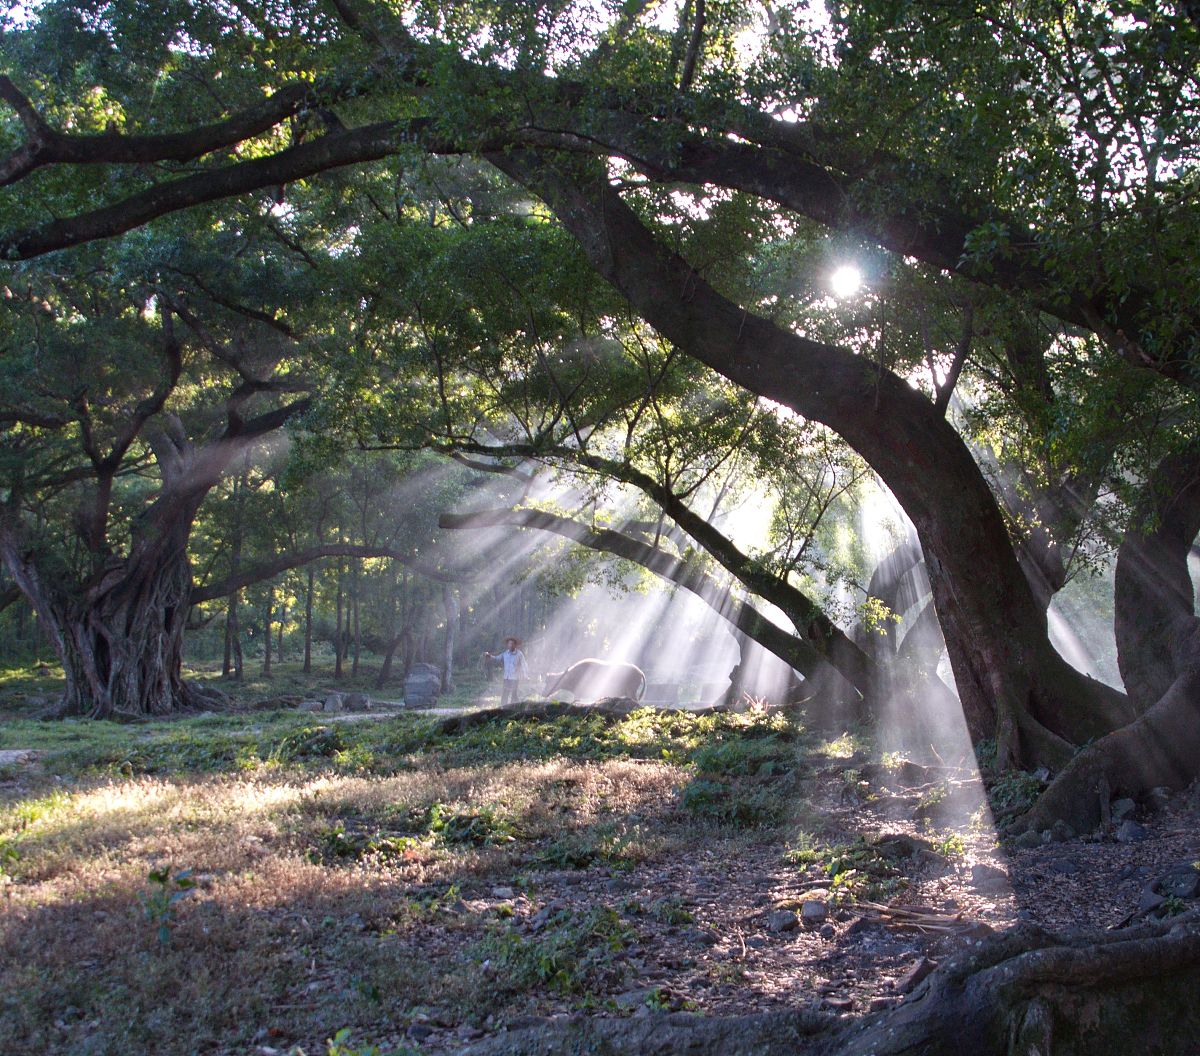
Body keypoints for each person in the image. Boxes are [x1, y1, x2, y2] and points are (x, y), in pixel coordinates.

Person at [486, 636, 530, 707]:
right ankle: (503, 708)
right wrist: (490, 656)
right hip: (506, 678)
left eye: (512, 644)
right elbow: (497, 658)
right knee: (505, 694)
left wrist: (526, 676)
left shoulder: (519, 654)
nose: (510, 645)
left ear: (515, 645)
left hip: (515, 678)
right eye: (509, 644)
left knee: (514, 694)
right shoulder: (505, 654)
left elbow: (524, 665)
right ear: (507, 645)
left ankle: (515, 708)